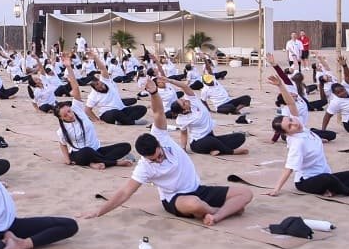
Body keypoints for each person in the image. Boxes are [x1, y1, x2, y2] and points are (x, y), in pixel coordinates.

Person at [82, 87, 253, 225]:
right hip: (176, 199)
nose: (158, 160)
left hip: (198, 190)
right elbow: (124, 192)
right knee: (194, 204)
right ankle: (216, 213)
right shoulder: (144, 167)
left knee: (245, 193)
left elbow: (158, 112)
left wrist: (154, 93)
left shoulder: (161, 136)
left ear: (159, 145)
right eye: (153, 160)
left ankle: (217, 214)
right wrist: (99, 212)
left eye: (159, 155)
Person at [264, 70, 349, 197]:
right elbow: (288, 168)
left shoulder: (300, 125)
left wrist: (280, 85)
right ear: (287, 133)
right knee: (328, 179)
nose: (294, 123)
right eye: (290, 126)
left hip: (325, 175)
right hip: (307, 182)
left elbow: (290, 103)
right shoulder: (296, 143)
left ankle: (333, 189)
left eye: (291, 120)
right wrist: (276, 189)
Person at [162, 78, 248, 155]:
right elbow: (183, 134)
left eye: (182, 99)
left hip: (210, 136)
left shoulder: (193, 100)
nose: (185, 100)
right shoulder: (182, 120)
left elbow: (184, 86)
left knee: (239, 137)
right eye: (184, 103)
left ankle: (215, 149)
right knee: (212, 141)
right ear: (184, 110)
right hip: (198, 143)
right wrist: (183, 149)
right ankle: (231, 152)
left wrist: (170, 80)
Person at [53, 100, 134, 168]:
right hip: (80, 153)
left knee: (125, 146)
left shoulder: (80, 113)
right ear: (61, 118)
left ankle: (92, 163)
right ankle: (115, 163)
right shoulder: (62, 131)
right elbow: (62, 144)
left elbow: (76, 91)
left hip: (97, 150)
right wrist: (67, 160)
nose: (70, 115)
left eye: (69, 111)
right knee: (87, 151)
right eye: (65, 115)